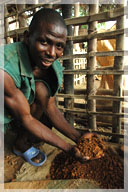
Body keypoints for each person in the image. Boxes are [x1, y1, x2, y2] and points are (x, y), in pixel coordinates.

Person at [0, 8, 99, 166]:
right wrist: (68, 148)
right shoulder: (4, 69)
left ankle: (21, 143)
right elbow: (27, 119)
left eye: (59, 46)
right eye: (44, 42)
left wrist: (78, 137)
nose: (52, 53)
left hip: (17, 106)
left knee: (41, 90)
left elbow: (50, 107)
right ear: (27, 37)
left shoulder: (49, 68)